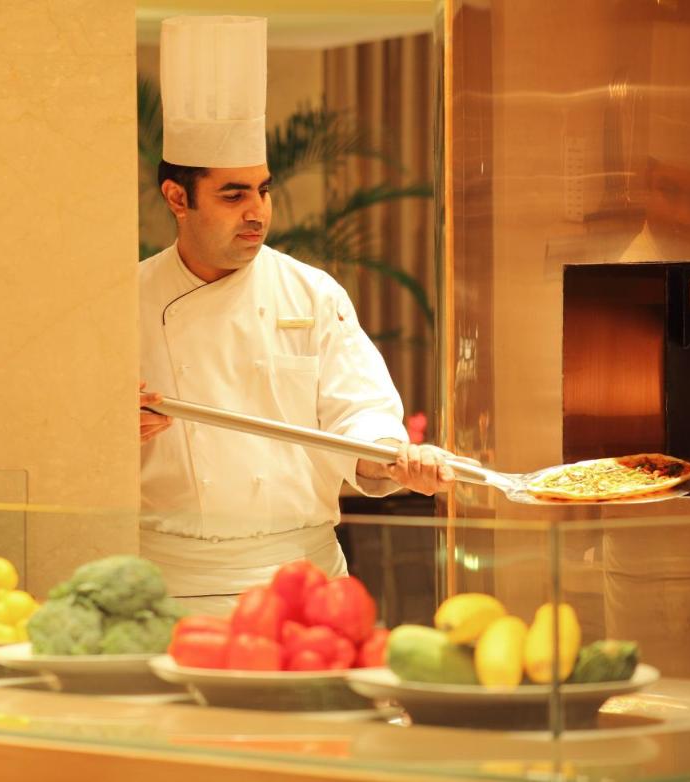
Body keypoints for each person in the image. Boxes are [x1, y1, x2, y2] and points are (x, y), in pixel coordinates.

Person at [138, 16, 464, 616]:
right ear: (177, 199)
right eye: (233, 195)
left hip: (304, 577)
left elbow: (357, 412)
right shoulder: (125, 302)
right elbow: (73, 439)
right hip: (173, 584)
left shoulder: (311, 292)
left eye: (262, 190)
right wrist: (110, 432)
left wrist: (395, 457)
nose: (258, 212)